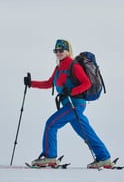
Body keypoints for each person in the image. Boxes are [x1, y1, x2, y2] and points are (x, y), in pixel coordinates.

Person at [24, 39, 111, 168]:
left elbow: (87, 83)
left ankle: (50, 157)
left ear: (67, 51)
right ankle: (104, 158)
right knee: (85, 132)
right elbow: (49, 83)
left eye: (61, 50)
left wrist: (72, 91)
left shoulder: (73, 65)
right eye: (56, 50)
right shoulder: (58, 67)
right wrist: (31, 83)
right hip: (69, 105)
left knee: (51, 124)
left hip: (75, 104)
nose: (58, 53)